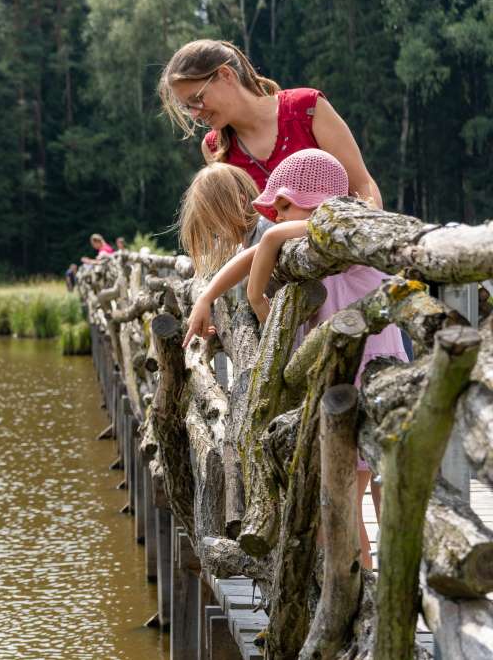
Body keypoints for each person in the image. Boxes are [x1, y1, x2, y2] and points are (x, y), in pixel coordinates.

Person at [183, 149, 406, 570]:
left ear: (318, 198)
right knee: (339, 501)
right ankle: (359, 594)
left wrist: (255, 295)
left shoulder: (346, 226)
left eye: (284, 204)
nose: (277, 215)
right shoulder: (313, 241)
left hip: (365, 371)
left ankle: (370, 593)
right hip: (338, 372)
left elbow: (265, 241)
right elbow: (250, 256)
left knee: (352, 497)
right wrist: (208, 296)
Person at [157, 39, 383, 209]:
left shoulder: (307, 108)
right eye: (188, 107)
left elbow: (363, 187)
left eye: (197, 99)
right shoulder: (214, 148)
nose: (195, 114)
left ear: (226, 75)